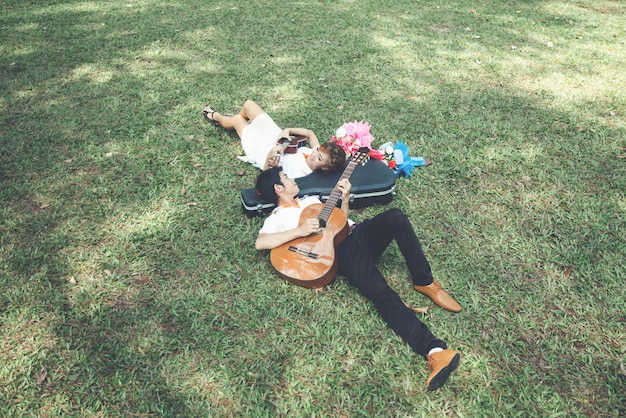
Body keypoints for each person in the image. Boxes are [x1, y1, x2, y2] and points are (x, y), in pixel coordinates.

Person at [254, 166, 462, 390]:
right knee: (381, 292)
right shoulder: (278, 217)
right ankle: (435, 351)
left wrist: (344, 198)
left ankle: (424, 281)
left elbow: (339, 219)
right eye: (286, 177)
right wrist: (299, 230)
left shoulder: (311, 200)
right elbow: (261, 243)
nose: (292, 178)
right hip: (341, 252)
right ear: (278, 187)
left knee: (396, 216)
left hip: (358, 232)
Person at [203, 100, 346, 178]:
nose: (314, 154)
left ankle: (216, 117)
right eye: (318, 151)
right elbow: (309, 133)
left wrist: (271, 155)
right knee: (249, 104)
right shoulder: (314, 153)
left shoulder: (301, 174)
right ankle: (233, 120)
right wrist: (287, 131)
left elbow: (267, 173)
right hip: (275, 135)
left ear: (325, 168)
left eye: (319, 158)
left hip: (259, 149)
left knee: (237, 119)